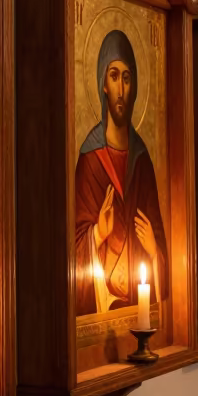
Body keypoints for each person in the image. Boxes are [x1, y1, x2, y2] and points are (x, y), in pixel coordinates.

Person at [75, 29, 168, 316]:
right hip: (104, 305)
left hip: (139, 305)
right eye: (114, 76)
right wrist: (98, 234)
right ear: (103, 83)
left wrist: (154, 252)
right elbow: (75, 244)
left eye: (127, 78)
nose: (120, 88)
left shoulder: (141, 159)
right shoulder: (90, 159)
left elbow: (159, 237)